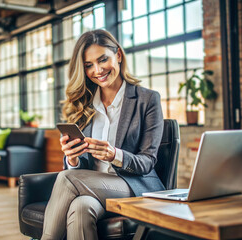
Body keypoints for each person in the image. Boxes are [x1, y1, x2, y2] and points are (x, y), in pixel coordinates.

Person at [41, 29, 165, 240]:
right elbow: (79, 168)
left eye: (102, 60)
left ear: (118, 55)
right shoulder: (84, 105)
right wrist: (72, 159)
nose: (97, 70)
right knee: (80, 207)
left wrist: (114, 154)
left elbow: (147, 162)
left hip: (132, 186)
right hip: (92, 189)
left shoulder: (147, 100)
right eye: (88, 65)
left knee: (66, 178)